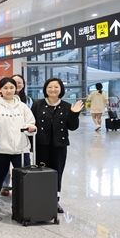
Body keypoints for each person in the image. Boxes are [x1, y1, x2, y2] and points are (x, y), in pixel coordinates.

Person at [31, 78, 83, 213]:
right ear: (45, 89)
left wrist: (74, 114)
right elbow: (32, 124)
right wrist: (31, 144)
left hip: (59, 146)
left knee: (57, 173)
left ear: (61, 89)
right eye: (50, 87)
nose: (53, 90)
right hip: (41, 144)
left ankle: (55, 201)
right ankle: (40, 199)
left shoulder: (67, 106)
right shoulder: (38, 105)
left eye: (56, 87)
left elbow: (72, 127)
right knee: (41, 172)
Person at [0, 78, 36, 207]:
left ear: (16, 89)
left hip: (21, 149)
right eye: (5, 88)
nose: (9, 90)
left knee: (24, 176)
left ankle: (24, 200)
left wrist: (31, 127)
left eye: (11, 88)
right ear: (0, 89)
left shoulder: (23, 107)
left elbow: (31, 122)